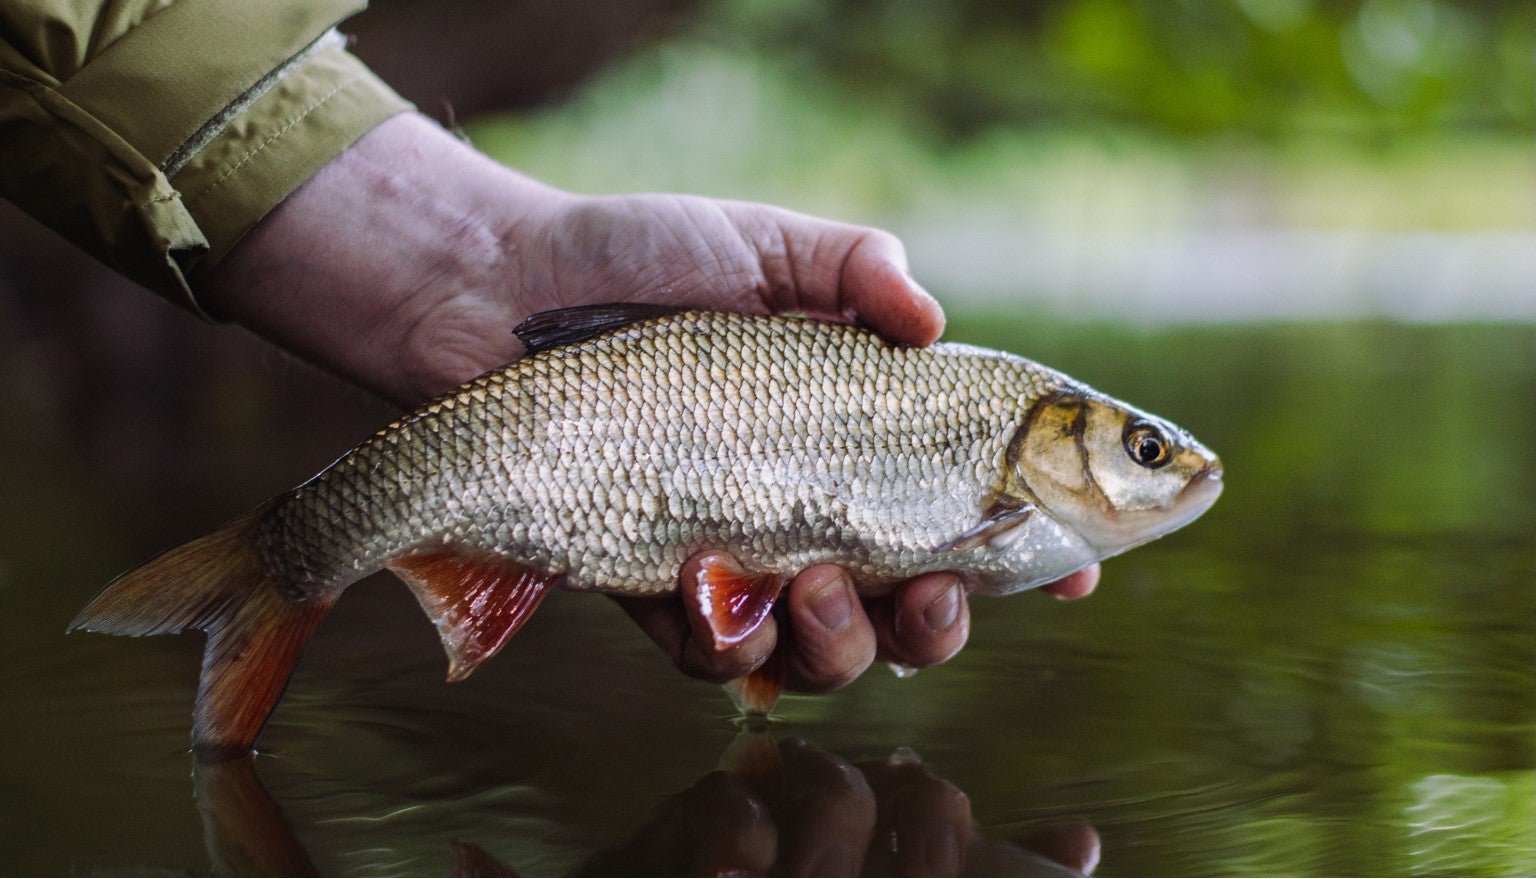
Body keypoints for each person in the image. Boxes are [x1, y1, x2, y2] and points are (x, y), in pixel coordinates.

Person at [0, 2, 1097, 698]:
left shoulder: (1007, 456)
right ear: (1048, 440)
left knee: (763, 618)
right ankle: (277, 566)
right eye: (1141, 451)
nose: (1166, 469)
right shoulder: (1000, 443)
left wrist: (489, 253)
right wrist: (485, 255)